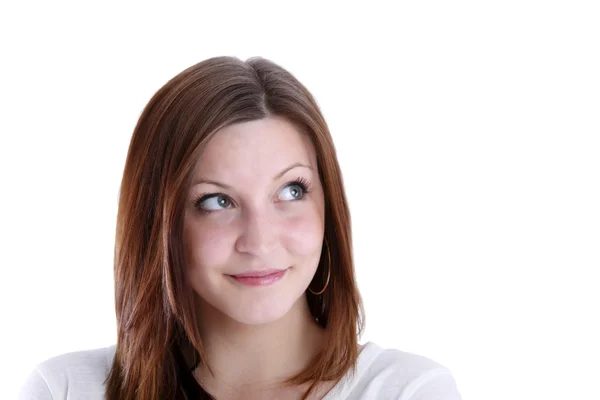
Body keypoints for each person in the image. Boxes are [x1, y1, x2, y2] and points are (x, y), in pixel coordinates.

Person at [18, 56, 462, 399]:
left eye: (291, 191)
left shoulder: (408, 391)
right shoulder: (67, 389)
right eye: (217, 201)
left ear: (329, 207)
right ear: (160, 223)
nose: (260, 240)